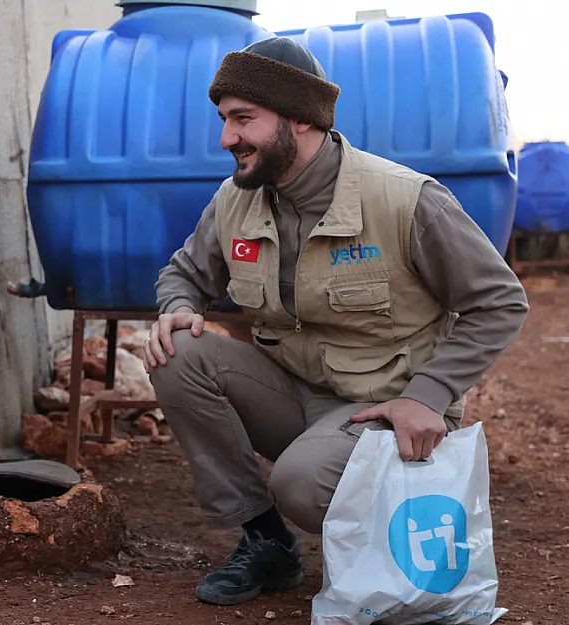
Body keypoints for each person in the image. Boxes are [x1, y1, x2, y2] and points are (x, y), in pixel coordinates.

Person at [143, 37, 528, 607]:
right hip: (291, 392)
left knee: (298, 482)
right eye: (225, 120)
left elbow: (499, 301)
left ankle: (397, 532)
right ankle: (266, 542)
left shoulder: (404, 200)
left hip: (387, 406)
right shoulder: (235, 201)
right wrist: (176, 307)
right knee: (177, 349)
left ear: (299, 119)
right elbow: (183, 274)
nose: (227, 139)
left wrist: (430, 393)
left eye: (242, 120)